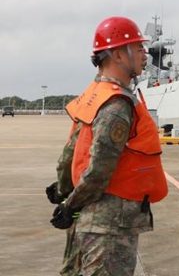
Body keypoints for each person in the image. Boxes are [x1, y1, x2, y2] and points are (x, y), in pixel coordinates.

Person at [49, 16, 168, 276]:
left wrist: (64, 192)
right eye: (137, 48)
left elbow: (69, 153)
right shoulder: (117, 105)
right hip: (109, 224)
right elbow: (100, 169)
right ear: (118, 54)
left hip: (89, 217)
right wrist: (69, 205)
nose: (144, 55)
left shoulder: (94, 94)